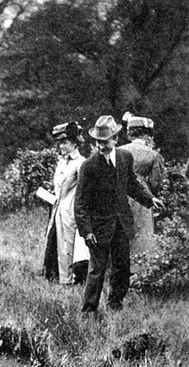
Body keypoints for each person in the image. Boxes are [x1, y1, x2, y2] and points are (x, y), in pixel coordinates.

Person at [74, 115, 164, 314]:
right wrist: (86, 231)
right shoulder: (88, 166)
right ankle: (89, 311)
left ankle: (115, 305)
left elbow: (132, 184)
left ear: (115, 139)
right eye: (98, 141)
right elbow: (80, 203)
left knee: (122, 268)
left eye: (105, 141)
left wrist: (150, 199)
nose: (100, 146)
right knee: (97, 270)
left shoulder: (125, 158)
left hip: (122, 224)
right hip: (98, 227)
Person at [118, 113, 165, 273]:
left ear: (130, 133)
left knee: (121, 230)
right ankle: (140, 271)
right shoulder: (153, 155)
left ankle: (118, 269)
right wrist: (150, 196)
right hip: (142, 196)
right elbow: (155, 182)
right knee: (142, 231)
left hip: (120, 194)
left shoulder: (119, 151)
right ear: (147, 134)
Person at [42, 122, 89, 285]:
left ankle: (69, 281)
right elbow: (59, 188)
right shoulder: (61, 162)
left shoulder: (81, 163)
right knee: (56, 244)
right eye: (60, 142)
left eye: (65, 142)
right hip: (58, 210)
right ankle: (57, 280)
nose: (61, 146)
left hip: (72, 211)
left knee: (70, 247)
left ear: (75, 142)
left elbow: (85, 191)